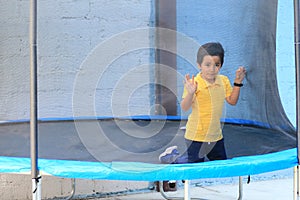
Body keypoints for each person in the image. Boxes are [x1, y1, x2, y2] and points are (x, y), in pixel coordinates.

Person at [159, 42, 246, 164]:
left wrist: (237, 82)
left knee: (221, 165)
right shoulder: (194, 83)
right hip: (196, 136)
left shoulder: (223, 81)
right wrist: (190, 93)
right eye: (207, 65)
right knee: (194, 165)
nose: (212, 69)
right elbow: (185, 107)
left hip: (215, 136)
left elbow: (232, 101)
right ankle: (172, 157)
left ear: (221, 65)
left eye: (216, 64)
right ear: (199, 65)